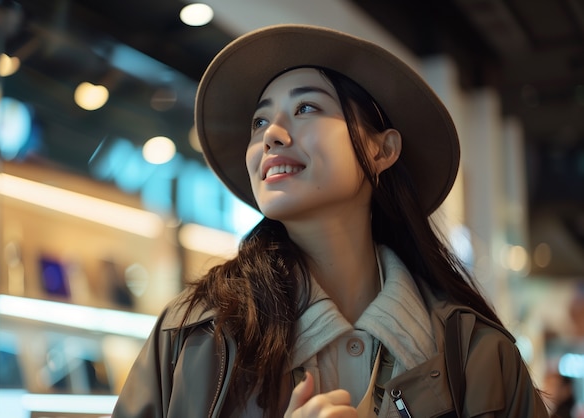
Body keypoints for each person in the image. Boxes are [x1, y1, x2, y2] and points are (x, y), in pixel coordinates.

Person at [112, 24, 548, 417]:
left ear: (382, 150)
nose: (272, 134)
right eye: (260, 120)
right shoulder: (193, 336)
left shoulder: (482, 358)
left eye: (306, 109)